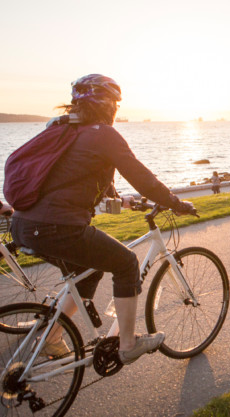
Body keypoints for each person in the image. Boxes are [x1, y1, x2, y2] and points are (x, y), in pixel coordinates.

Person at [9, 74, 195, 364]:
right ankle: (128, 343)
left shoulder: (62, 130)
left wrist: (119, 198)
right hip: (58, 228)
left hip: (22, 225)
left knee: (91, 269)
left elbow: (71, 173)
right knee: (126, 263)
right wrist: (176, 203)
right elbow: (143, 178)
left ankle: (53, 337)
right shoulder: (104, 134)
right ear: (109, 104)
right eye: (116, 104)